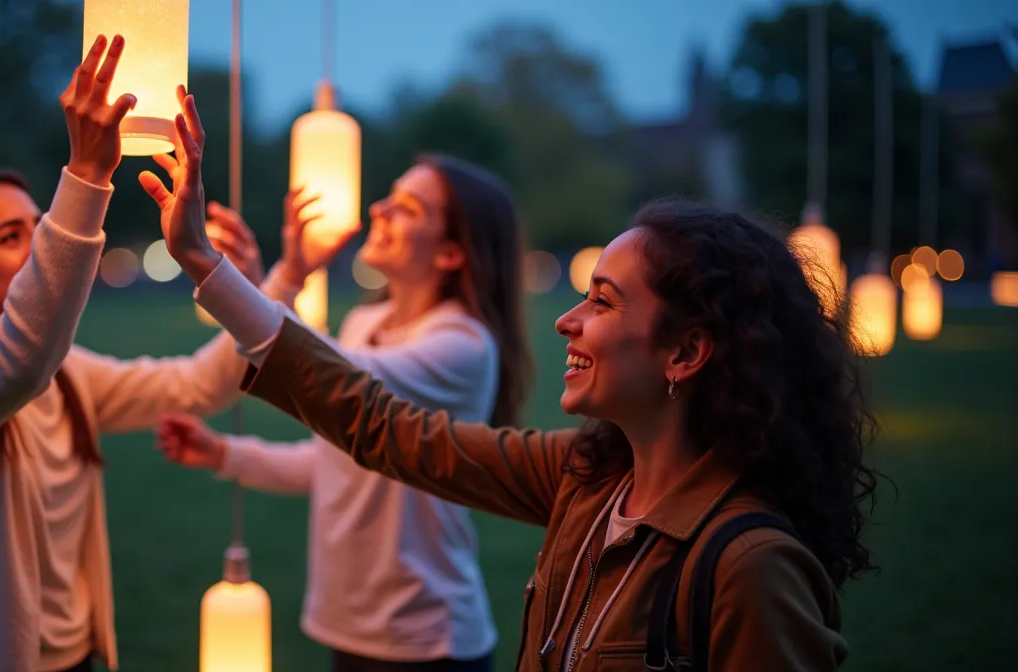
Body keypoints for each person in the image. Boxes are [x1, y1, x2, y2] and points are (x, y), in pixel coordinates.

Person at [143, 95, 880, 671]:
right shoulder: (584, 479)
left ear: (684, 353)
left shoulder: (749, 568)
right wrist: (209, 268)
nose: (566, 321)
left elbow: (366, 406)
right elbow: (385, 430)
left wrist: (226, 272)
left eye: (602, 300)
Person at [0, 38, 307, 672]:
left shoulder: (70, 376)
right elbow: (19, 360)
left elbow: (198, 386)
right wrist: (88, 176)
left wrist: (280, 283)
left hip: (74, 657)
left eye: (39, 225)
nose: (38, 242)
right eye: (14, 237)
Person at [156, 152, 532, 671]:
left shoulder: (462, 346)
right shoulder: (364, 321)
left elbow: (317, 371)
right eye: (390, 195)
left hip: (426, 639)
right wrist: (223, 453)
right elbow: (336, 461)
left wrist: (233, 269)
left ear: (450, 252)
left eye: (408, 207)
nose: (379, 208)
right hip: (349, 627)